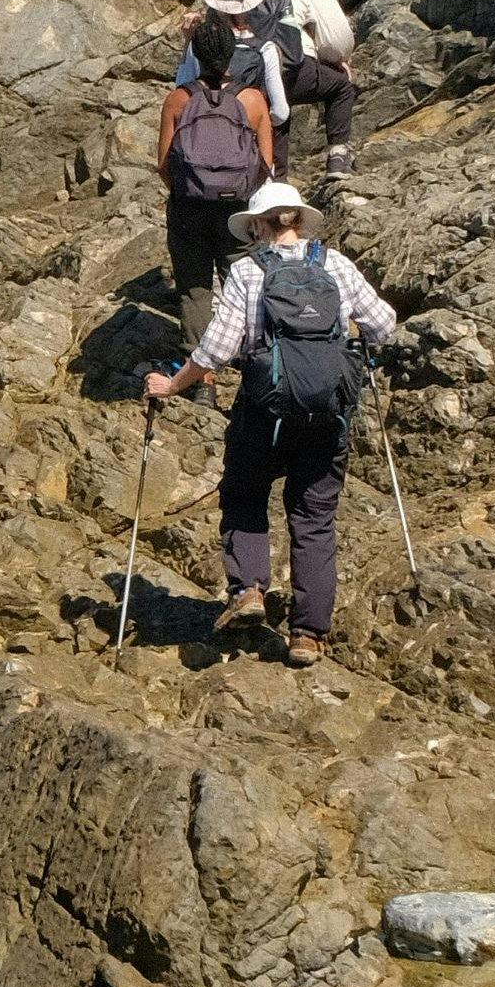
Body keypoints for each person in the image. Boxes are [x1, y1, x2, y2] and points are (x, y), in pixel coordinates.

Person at [141, 178, 400, 668]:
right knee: (314, 518)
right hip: (327, 414)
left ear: (258, 224)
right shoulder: (335, 265)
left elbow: (217, 348)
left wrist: (173, 385)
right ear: (300, 220)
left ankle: (249, 591)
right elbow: (384, 325)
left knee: (243, 493)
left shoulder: (246, 272)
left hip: (265, 410)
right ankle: (307, 635)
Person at [151, 0, 281, 343]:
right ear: (229, 55)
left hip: (189, 208)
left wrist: (190, 189)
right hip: (237, 208)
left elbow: (164, 164)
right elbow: (266, 166)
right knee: (245, 283)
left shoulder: (179, 99)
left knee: (194, 290)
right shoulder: (252, 99)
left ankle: (203, 378)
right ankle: (256, 357)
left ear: (197, 54)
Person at [233, 0, 361, 183]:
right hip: (291, 67)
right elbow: (337, 34)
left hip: (245, 75)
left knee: (270, 115)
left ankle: (273, 182)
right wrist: (337, 60)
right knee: (340, 87)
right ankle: (338, 155)